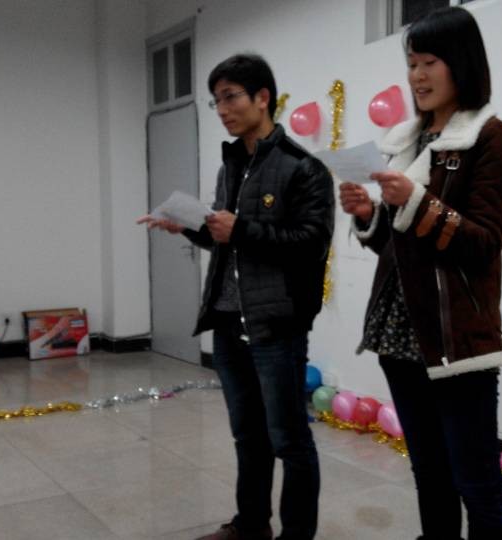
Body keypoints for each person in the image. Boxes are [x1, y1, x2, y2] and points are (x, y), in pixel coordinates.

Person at [339, 7, 502, 540]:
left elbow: (483, 243)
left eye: (429, 62)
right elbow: (403, 249)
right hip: (399, 334)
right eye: (412, 63)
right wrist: (370, 216)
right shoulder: (407, 140)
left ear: (461, 62)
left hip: (456, 338)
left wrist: (415, 202)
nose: (417, 76)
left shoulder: (491, 137)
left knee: (476, 480)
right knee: (429, 470)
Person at [138, 53, 334, 540]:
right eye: (216, 101)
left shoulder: (304, 168)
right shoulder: (232, 165)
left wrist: (241, 229)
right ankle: (250, 526)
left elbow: (311, 243)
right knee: (247, 435)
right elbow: (226, 239)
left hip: (275, 325)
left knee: (289, 439)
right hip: (227, 321)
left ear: (262, 98)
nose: (222, 110)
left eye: (230, 98)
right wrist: (189, 227)